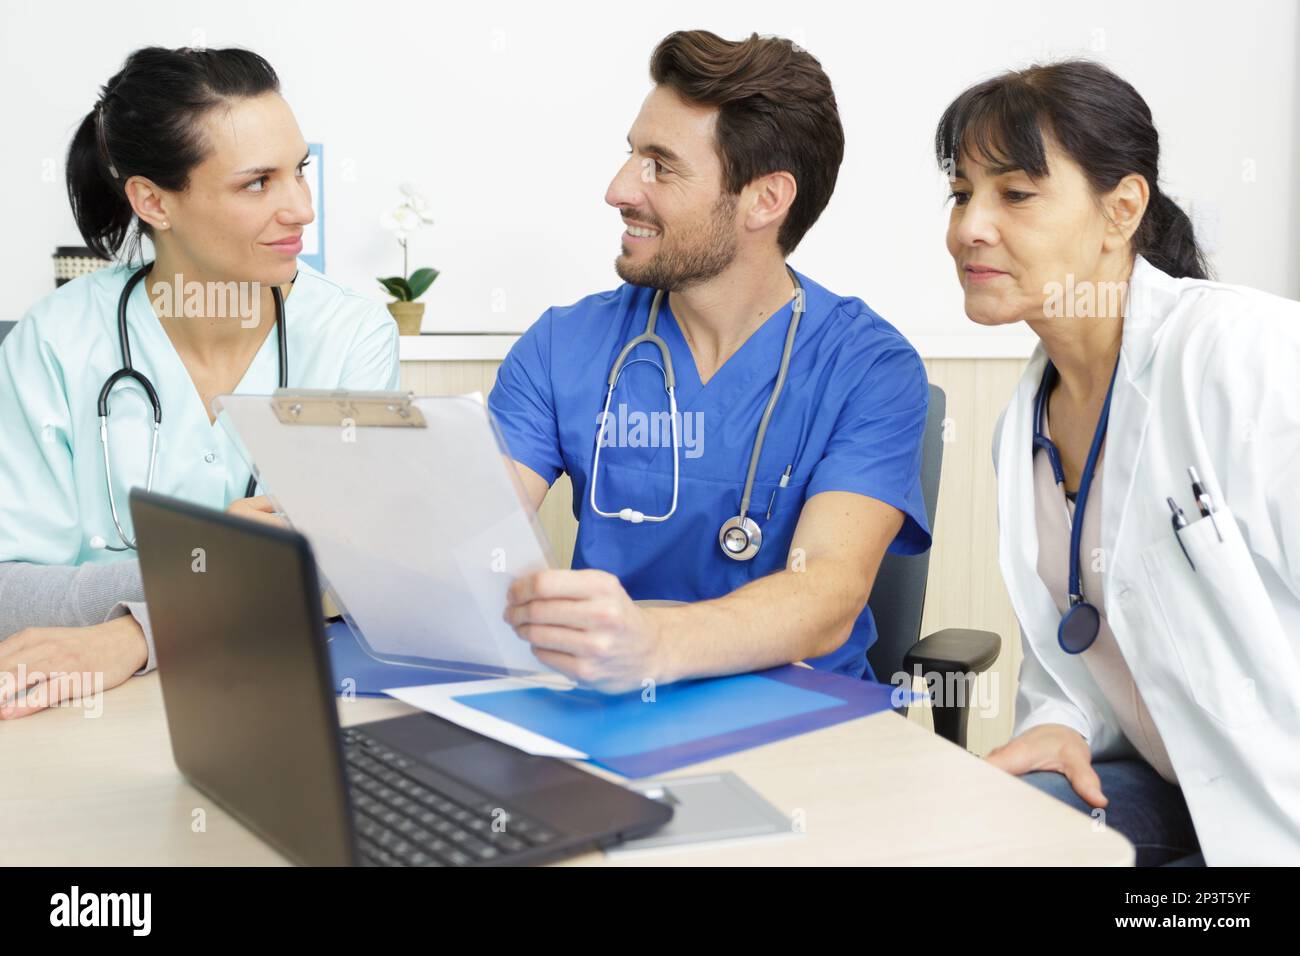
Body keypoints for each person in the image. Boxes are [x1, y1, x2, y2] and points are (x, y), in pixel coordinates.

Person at [937, 60, 1300, 865]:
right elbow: (1081, 658)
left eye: (1015, 194)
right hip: (1165, 785)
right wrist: (1060, 725)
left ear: (1121, 210)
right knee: (978, 845)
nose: (970, 227)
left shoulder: (1247, 358)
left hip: (1278, 811)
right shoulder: (1023, 429)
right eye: (962, 193)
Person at [492, 30, 931, 692]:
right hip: (611, 708)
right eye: (631, 156)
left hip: (802, 722)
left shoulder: (868, 368)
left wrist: (656, 644)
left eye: (659, 167)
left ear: (766, 199)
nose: (619, 190)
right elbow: (474, 528)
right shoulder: (563, 346)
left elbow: (829, 592)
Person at [0, 47, 399, 718]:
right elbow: (9, 595)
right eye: (258, 183)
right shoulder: (55, 343)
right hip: (79, 712)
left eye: (299, 171)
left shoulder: (350, 337)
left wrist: (137, 631)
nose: (301, 208)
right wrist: (203, 556)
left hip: (276, 703)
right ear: (153, 200)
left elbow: (337, 573)